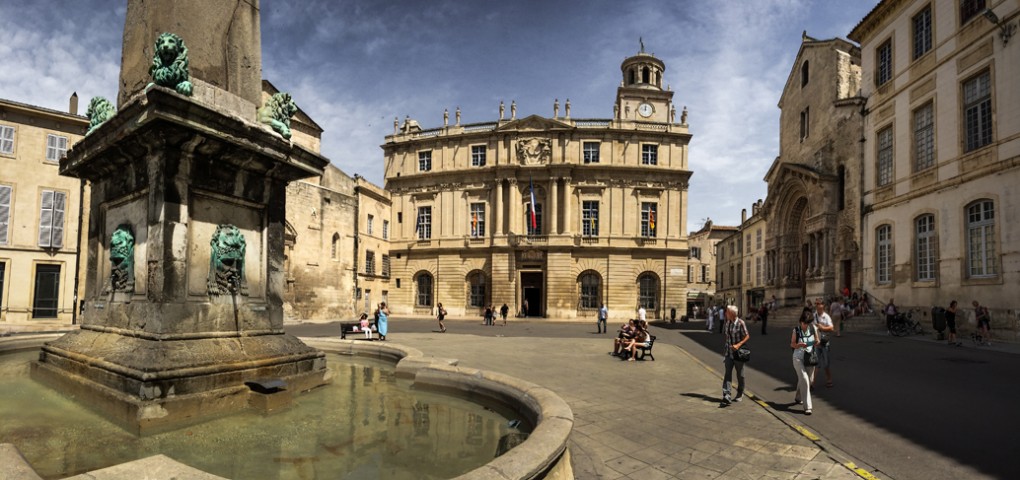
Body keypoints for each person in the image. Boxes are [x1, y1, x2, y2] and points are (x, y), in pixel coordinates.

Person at [791, 307, 818, 415]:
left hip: (810, 357)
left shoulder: (813, 328)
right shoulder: (796, 330)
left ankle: (798, 397)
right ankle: (807, 407)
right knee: (805, 380)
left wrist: (810, 344)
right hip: (798, 357)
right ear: (800, 322)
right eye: (803, 323)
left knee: (808, 380)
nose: (805, 325)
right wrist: (798, 345)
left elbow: (817, 341)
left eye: (807, 323)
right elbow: (792, 344)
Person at [721, 305, 750, 404]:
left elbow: (747, 336)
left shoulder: (741, 323)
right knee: (727, 373)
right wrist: (726, 350)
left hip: (738, 354)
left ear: (732, 314)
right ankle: (727, 394)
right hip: (729, 353)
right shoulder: (727, 322)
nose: (725, 313)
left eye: (727, 312)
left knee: (740, 375)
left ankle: (740, 393)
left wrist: (738, 345)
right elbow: (727, 337)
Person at [812, 298, 834, 388]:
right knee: (816, 363)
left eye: (819, 304)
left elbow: (832, 328)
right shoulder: (814, 315)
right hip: (817, 343)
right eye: (816, 304)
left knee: (826, 364)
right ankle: (812, 382)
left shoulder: (826, 316)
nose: (817, 305)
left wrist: (822, 328)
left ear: (823, 305)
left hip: (825, 343)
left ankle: (829, 379)